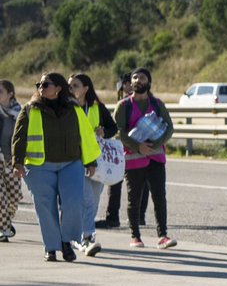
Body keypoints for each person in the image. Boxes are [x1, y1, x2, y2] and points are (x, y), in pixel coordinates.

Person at [10, 73, 100, 262]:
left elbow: (86, 135)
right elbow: (19, 137)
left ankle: (67, 242)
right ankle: (51, 248)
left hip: (71, 163)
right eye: (39, 84)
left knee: (73, 202)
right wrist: (17, 163)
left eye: (45, 84)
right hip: (39, 166)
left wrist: (91, 161)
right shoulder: (30, 109)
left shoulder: (74, 108)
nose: (40, 87)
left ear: (58, 88)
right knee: (45, 207)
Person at [114, 67, 176, 249]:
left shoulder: (157, 104)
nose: (138, 80)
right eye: (135, 77)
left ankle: (163, 236)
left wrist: (155, 146)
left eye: (142, 77)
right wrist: (138, 146)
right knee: (134, 199)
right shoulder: (124, 105)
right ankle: (135, 236)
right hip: (133, 160)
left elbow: (169, 128)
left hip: (156, 159)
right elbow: (118, 132)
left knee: (159, 197)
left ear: (149, 82)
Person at [68, 73, 118, 256]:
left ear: (86, 89)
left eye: (75, 85)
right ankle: (87, 237)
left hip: (97, 162)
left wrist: (104, 131)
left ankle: (78, 235)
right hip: (75, 160)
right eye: (69, 86)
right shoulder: (66, 108)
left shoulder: (97, 107)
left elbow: (113, 128)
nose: (71, 89)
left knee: (94, 201)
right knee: (86, 200)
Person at [96, 73, 144, 229]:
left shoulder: (126, 103)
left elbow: (116, 127)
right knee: (140, 183)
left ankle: (113, 217)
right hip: (139, 146)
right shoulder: (144, 100)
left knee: (116, 181)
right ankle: (139, 217)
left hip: (126, 147)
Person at [1, 79, 23, 243]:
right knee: (1, 197)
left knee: (14, 197)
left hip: (12, 160)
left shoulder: (19, 113)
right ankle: (4, 228)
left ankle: (6, 221)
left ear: (10, 94)